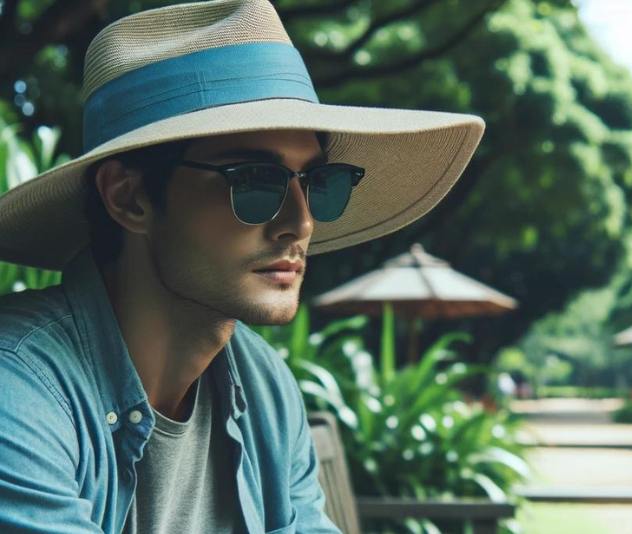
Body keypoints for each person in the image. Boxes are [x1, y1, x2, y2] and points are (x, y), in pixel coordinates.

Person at [0, 0, 485, 533]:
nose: (300, 224)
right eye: (255, 181)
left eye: (318, 185)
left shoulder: (264, 389)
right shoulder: (19, 389)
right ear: (129, 197)